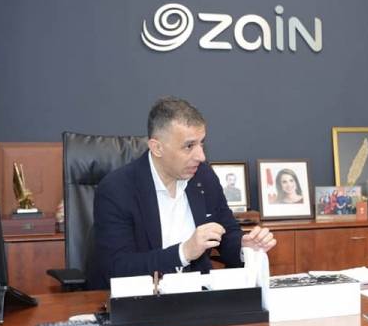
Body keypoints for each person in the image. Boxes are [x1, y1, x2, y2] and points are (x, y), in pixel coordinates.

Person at [92, 97, 276, 289]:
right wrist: (184, 252)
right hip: (143, 298)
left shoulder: (203, 176)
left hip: (197, 295)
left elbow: (226, 233)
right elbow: (117, 268)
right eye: (189, 146)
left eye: (201, 143)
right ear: (157, 148)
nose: (201, 156)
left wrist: (244, 247)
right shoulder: (117, 189)